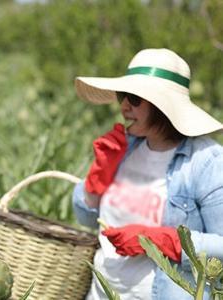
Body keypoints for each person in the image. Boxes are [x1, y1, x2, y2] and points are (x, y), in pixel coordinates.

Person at [72, 48, 223, 299]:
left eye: (133, 98)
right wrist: (97, 179)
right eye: (123, 95)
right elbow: (86, 219)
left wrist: (164, 241)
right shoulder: (125, 147)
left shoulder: (206, 163)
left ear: (163, 106)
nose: (123, 106)